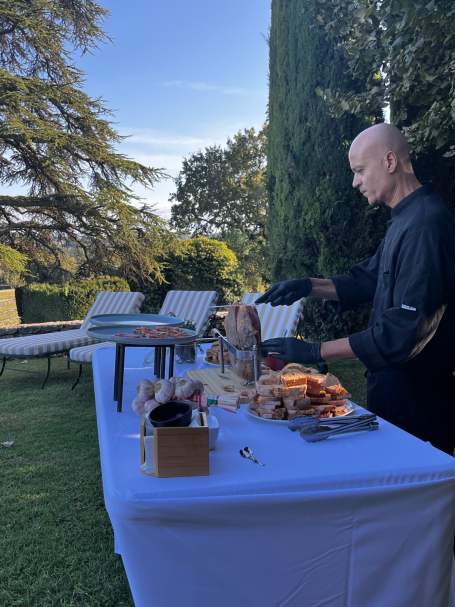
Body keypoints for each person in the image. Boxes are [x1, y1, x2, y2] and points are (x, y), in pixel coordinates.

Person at [258, 123, 455, 455]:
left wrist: (313, 352)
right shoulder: (406, 218)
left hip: (420, 407)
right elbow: (367, 279)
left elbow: (402, 332)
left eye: (360, 170)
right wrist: (308, 286)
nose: (355, 182)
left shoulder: (426, 226)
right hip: (394, 399)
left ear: (390, 161)